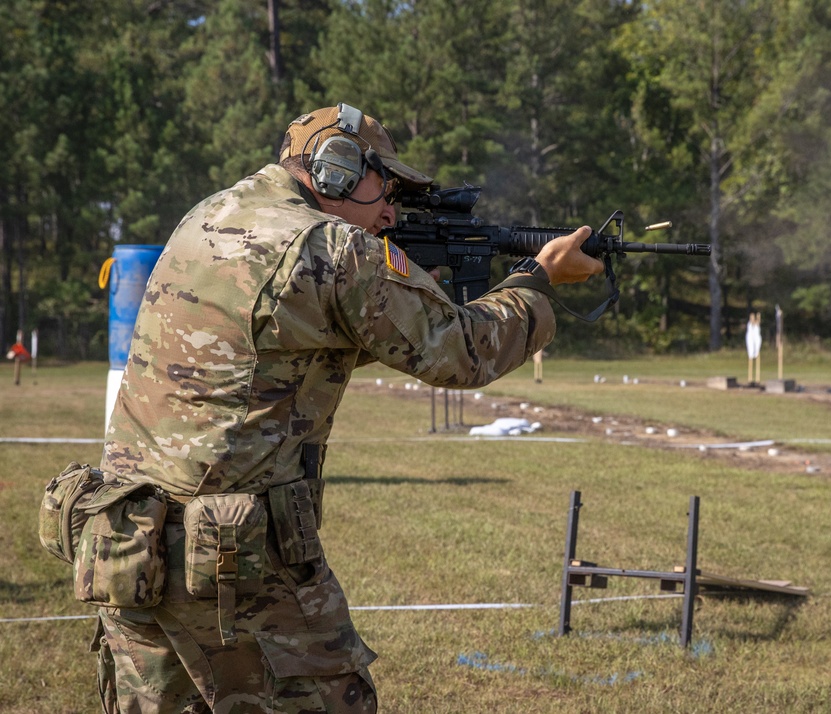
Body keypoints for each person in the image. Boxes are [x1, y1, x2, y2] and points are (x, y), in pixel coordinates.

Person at [93, 103, 604, 712]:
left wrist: (411, 293)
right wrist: (535, 281)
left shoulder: (208, 216)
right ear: (335, 170)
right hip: (234, 560)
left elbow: (278, 350)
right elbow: (465, 353)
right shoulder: (332, 249)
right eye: (383, 184)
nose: (391, 208)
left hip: (128, 543)